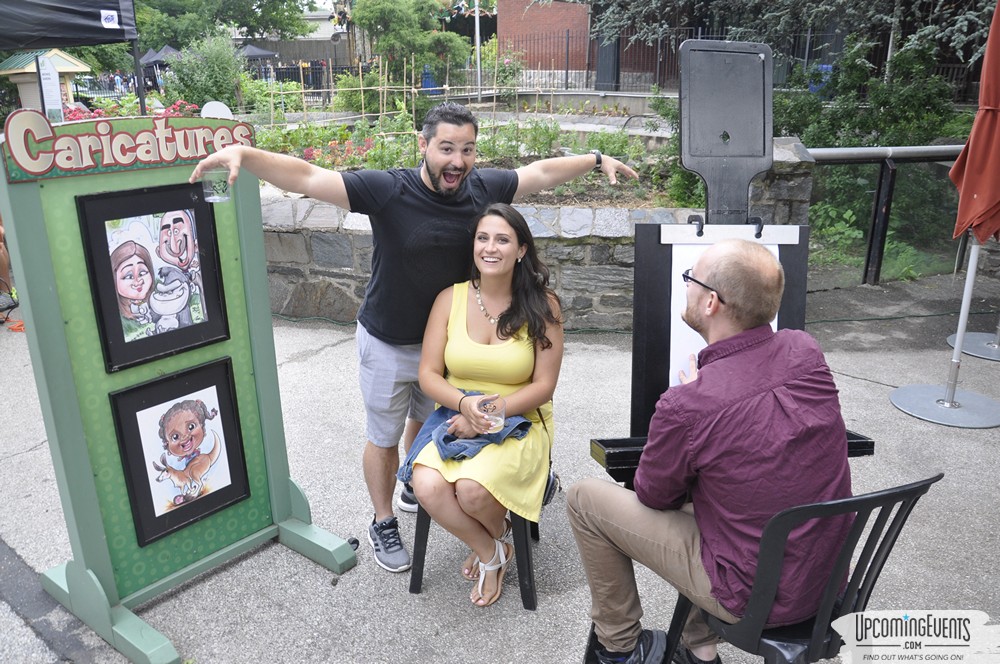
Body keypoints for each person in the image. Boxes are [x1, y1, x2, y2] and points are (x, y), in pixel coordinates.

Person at [190, 101, 637, 573]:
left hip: (449, 346)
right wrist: (248, 154)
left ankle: (417, 483)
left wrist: (595, 160)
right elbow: (308, 177)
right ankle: (383, 520)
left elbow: (541, 172)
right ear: (423, 145)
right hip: (388, 338)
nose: (457, 161)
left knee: (428, 425)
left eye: (467, 149)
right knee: (383, 435)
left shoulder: (480, 187)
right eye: (446, 148)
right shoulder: (388, 189)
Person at [567, 239, 853, 664]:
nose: (686, 288)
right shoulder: (805, 351)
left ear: (711, 303)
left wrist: (689, 400)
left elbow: (653, 495)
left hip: (756, 597)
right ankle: (698, 648)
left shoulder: (688, 404)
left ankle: (620, 648)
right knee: (722, 503)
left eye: (689, 279)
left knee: (584, 499)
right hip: (827, 582)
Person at [398, 203, 563, 607]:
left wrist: (489, 414)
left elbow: (544, 385)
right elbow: (429, 374)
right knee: (427, 485)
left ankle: (495, 533)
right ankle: (496, 549)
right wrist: (462, 406)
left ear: (521, 250)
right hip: (454, 412)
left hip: (520, 416)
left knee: (471, 490)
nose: (491, 248)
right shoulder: (448, 300)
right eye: (483, 238)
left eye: (503, 239)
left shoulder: (544, 305)